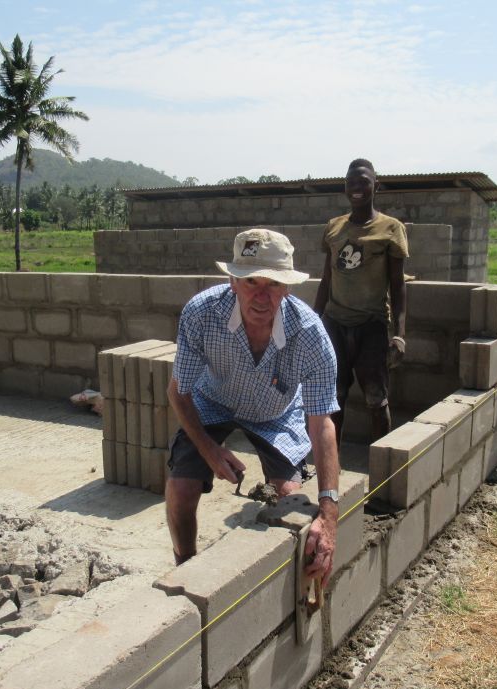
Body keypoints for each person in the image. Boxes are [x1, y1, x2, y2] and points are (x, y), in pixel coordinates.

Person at [166, 228, 341, 583]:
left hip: (275, 413)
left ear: (288, 287)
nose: (261, 296)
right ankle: (184, 566)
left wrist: (330, 513)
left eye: (273, 284)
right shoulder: (201, 315)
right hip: (212, 402)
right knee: (181, 488)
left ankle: (282, 583)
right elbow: (178, 392)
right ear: (232, 281)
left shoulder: (309, 334)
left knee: (290, 499)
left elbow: (321, 422)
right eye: (250, 282)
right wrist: (211, 450)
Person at [314, 158, 408, 442]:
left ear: (375, 186)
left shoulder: (390, 228)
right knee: (334, 400)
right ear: (345, 187)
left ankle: (383, 471)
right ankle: (333, 468)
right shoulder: (333, 227)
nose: (357, 188)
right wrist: (314, 322)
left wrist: (399, 335)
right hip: (334, 325)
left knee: (376, 400)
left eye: (363, 182)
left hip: (371, 325)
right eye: (351, 182)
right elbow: (327, 279)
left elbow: (397, 285)